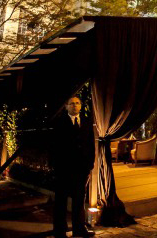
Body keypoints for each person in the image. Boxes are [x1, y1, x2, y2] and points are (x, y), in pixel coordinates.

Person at [50, 95, 96, 238]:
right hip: (63, 169)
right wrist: (55, 167)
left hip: (81, 170)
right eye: (71, 103)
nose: (74, 106)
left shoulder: (87, 122)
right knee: (61, 202)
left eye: (77, 103)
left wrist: (89, 166)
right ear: (66, 107)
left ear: (80, 106)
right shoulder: (59, 123)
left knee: (78, 201)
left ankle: (79, 229)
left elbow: (90, 146)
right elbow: (53, 147)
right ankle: (59, 231)